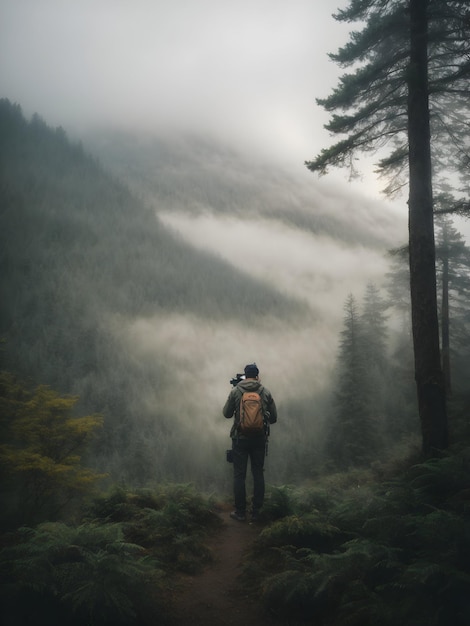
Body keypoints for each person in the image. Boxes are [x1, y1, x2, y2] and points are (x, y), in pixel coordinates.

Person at [223, 363, 277, 522]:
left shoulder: (236, 391)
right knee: (258, 474)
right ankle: (257, 512)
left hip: (240, 439)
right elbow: (273, 418)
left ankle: (240, 512)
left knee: (239, 476)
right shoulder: (264, 391)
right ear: (257, 376)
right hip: (259, 439)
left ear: (245, 376)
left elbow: (226, 414)